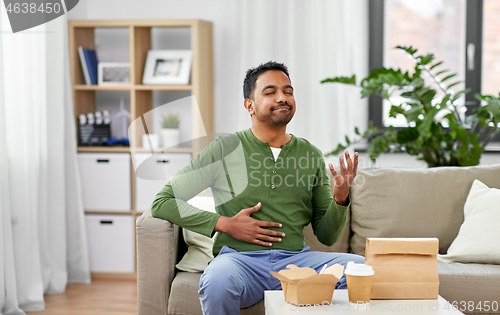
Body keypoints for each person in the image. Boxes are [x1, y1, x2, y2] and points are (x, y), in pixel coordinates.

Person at [151, 61, 364, 315]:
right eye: (270, 91)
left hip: (296, 263)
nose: (282, 97)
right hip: (238, 262)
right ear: (249, 105)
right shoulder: (224, 149)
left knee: (361, 270)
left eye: (288, 91)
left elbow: (327, 236)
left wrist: (340, 199)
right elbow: (162, 202)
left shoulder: (311, 155)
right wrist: (225, 224)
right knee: (217, 281)